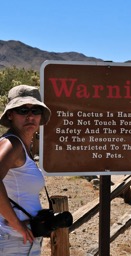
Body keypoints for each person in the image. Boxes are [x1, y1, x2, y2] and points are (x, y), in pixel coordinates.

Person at [0, 85, 51, 255]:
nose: (30, 116)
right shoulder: (12, 144)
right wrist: (17, 224)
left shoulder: (19, 145)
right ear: (10, 114)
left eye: (35, 110)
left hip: (19, 240)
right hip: (13, 240)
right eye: (23, 110)